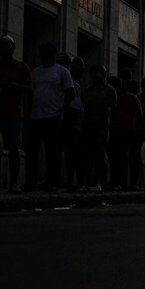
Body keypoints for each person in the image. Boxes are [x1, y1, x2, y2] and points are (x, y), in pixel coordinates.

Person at [0, 36, 30, 193]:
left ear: (13, 47)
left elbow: (30, 88)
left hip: (14, 113)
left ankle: (14, 182)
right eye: (0, 46)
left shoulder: (22, 67)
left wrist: (14, 86)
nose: (3, 49)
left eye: (6, 45)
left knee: (14, 148)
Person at [26, 43, 75, 192]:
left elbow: (70, 92)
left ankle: (50, 182)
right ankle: (31, 182)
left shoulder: (62, 72)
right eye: (43, 55)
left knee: (52, 152)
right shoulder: (35, 72)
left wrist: (62, 108)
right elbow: (30, 92)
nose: (45, 58)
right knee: (32, 151)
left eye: (48, 55)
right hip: (36, 116)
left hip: (53, 117)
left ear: (54, 56)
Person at [79, 65, 115, 192]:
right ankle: (87, 182)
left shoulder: (109, 91)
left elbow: (113, 109)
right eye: (93, 73)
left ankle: (99, 182)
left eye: (99, 73)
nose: (96, 76)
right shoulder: (86, 91)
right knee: (87, 154)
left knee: (99, 154)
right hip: (88, 125)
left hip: (102, 126)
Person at [107, 76, 142, 190]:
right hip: (115, 130)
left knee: (124, 157)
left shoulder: (132, 98)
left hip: (128, 131)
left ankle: (125, 182)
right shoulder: (115, 97)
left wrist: (136, 128)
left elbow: (139, 115)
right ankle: (116, 181)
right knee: (115, 157)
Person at [59, 54, 84, 191]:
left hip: (75, 120)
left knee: (72, 153)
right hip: (64, 117)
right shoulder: (63, 81)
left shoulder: (77, 86)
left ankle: (71, 181)